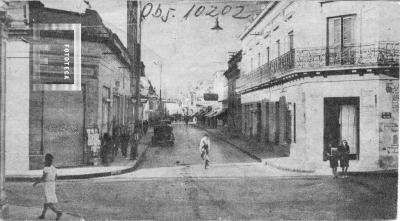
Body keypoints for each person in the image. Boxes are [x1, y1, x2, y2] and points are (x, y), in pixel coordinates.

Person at [33, 154, 62, 220]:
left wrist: (36, 182)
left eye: (45, 160)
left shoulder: (45, 168)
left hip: (47, 186)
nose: (45, 161)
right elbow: (56, 177)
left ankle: (57, 212)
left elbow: (43, 178)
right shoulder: (54, 168)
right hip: (52, 185)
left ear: (47, 160)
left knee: (48, 201)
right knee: (47, 200)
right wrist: (51, 180)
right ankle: (43, 215)